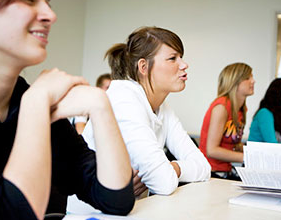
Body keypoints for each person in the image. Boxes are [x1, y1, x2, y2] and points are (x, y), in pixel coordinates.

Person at [0, 0, 134, 219]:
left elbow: (115, 199)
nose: (50, 15)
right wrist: (36, 102)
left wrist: (100, 104)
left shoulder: (28, 97)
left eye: (47, 2)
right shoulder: (34, 99)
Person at [82, 26, 211, 196]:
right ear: (143, 67)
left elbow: (204, 167)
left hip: (134, 208)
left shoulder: (163, 108)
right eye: (173, 58)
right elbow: (163, 183)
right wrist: (164, 172)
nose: (184, 65)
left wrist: (173, 167)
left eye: (181, 57)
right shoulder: (124, 101)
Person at [199, 63, 255, 180]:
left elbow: (231, 142)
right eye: (247, 78)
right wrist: (247, 157)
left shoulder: (241, 109)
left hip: (225, 170)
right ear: (235, 82)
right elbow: (212, 150)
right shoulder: (222, 106)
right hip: (211, 172)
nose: (253, 81)